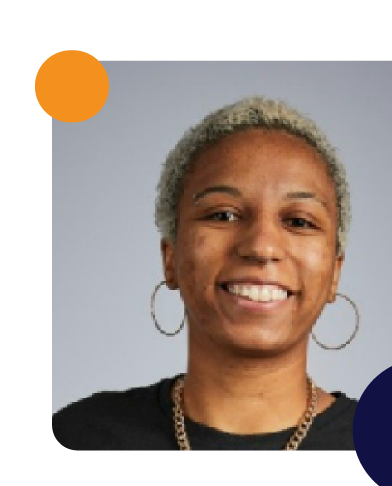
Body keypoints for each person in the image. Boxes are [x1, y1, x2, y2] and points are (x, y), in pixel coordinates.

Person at [53, 97, 360, 450]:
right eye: (223, 215)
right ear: (170, 257)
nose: (261, 247)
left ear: (335, 272)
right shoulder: (77, 440)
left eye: (299, 221)